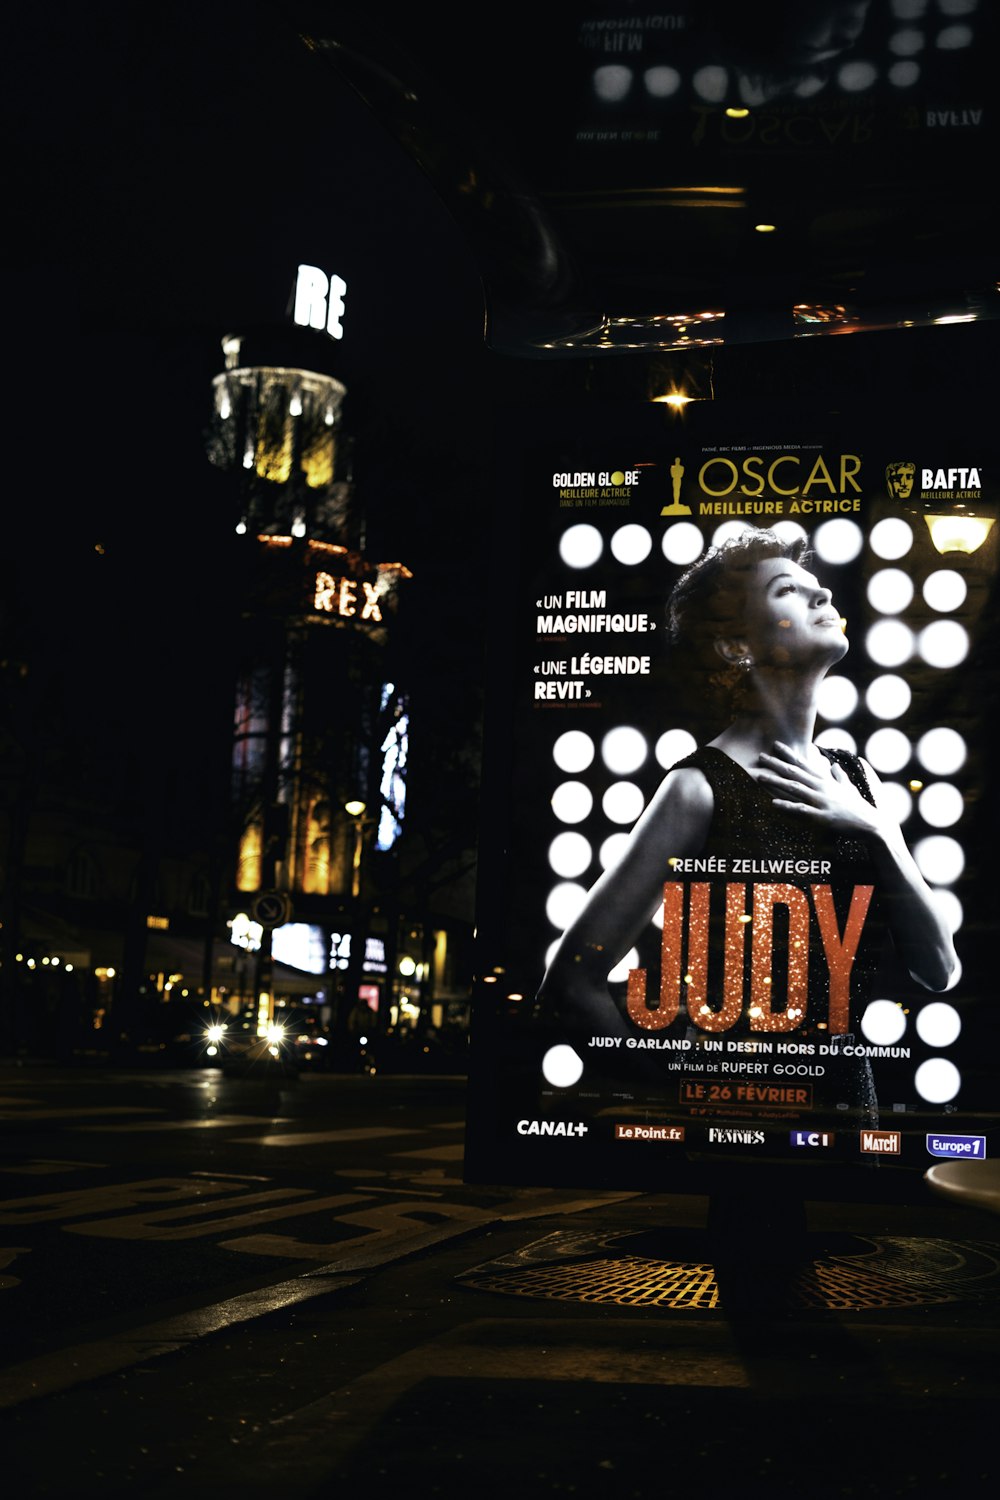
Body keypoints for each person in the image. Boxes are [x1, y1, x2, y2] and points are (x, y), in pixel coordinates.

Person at [537, 529, 958, 1123]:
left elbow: (939, 971)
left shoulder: (857, 780)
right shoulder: (697, 788)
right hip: (737, 1113)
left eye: (818, 588)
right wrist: (670, 1090)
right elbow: (570, 985)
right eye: (789, 590)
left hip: (845, 1105)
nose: (822, 598)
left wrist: (875, 829)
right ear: (737, 645)